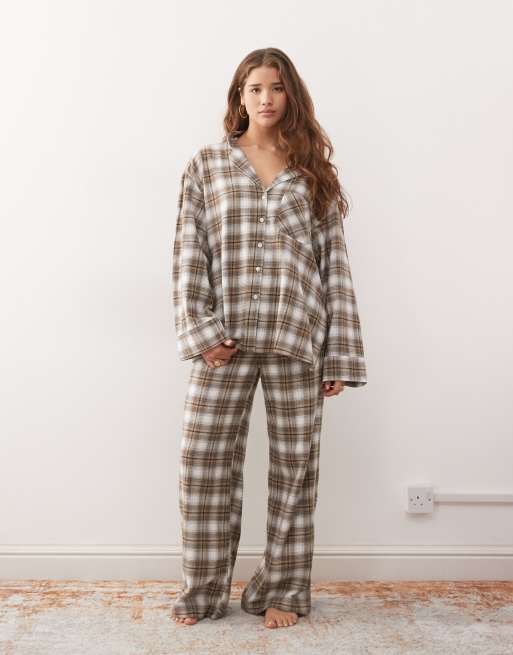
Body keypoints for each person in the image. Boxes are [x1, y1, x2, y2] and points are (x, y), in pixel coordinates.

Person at [171, 47, 367, 629]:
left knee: (294, 470)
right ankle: (204, 592)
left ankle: (281, 590)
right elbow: (189, 252)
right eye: (255, 88)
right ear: (239, 96)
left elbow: (333, 265)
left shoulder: (311, 172)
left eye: (277, 88)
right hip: (223, 342)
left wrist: (339, 353)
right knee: (202, 463)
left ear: (291, 96)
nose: (266, 98)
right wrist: (201, 331)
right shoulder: (207, 165)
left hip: (296, 337)